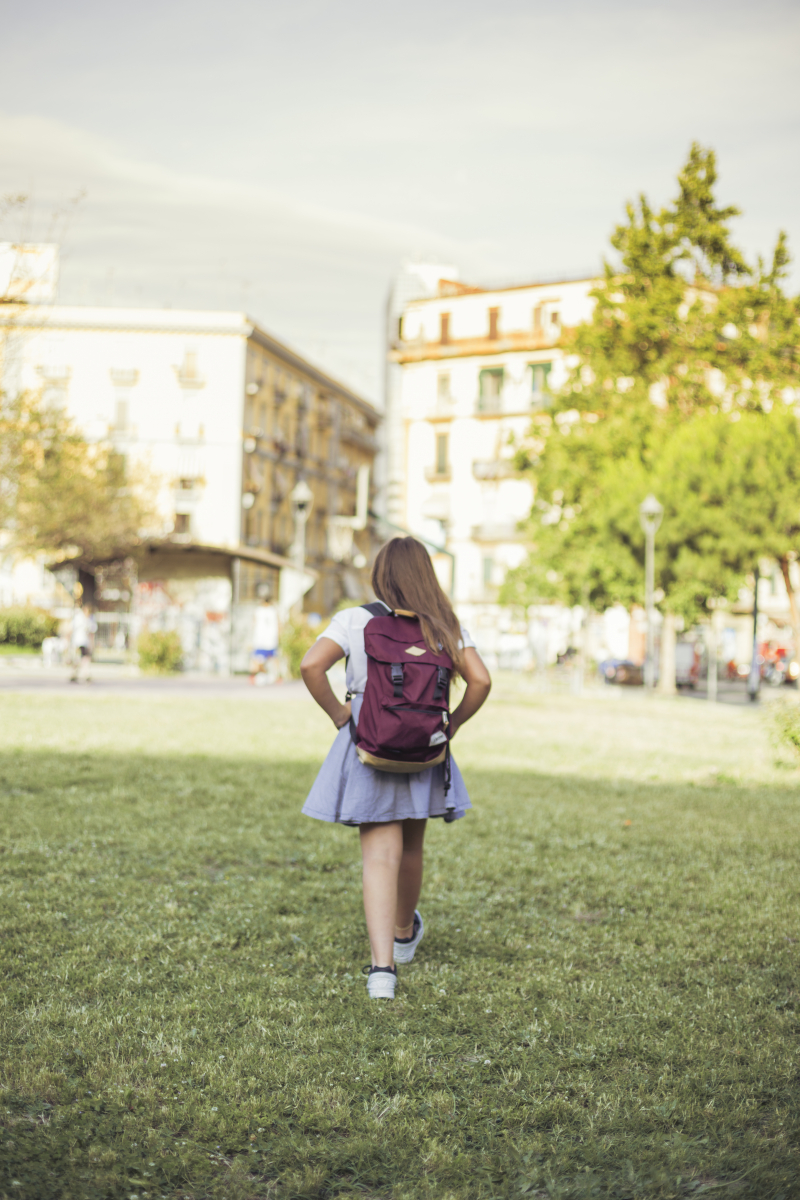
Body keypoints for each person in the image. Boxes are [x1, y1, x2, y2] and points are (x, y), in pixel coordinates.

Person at [300, 537, 491, 999]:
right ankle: (404, 936)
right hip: (426, 751)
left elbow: (310, 666)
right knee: (410, 848)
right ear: (427, 576)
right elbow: (481, 680)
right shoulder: (443, 626)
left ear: (381, 574)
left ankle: (382, 971)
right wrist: (453, 725)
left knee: (379, 856)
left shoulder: (355, 620)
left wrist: (341, 716)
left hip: (371, 747)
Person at [70, 603, 97, 683]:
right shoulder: (78, 618)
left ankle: (85, 674)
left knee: (85, 659)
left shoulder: (91, 619)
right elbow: (71, 629)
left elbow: (92, 633)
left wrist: (92, 644)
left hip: (86, 642)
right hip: (78, 642)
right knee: (79, 659)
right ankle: (76, 674)